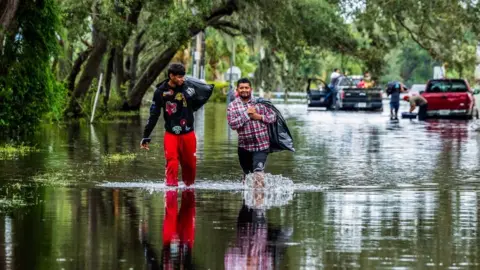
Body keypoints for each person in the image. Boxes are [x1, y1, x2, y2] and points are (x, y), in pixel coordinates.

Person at [140, 63, 197, 187]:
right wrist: (146, 135)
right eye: (179, 77)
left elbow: (199, 100)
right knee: (172, 163)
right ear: (171, 76)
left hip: (188, 133)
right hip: (171, 134)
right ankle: (170, 191)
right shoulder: (160, 92)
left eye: (183, 77)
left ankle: (189, 190)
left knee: (190, 166)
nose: (182, 79)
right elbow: (154, 115)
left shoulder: (188, 87)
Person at [227, 78, 276, 188]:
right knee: (247, 175)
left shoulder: (260, 102)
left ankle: (258, 201)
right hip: (244, 147)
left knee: (258, 172)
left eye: (246, 87)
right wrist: (246, 114)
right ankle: (246, 202)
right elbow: (233, 125)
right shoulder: (232, 106)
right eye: (241, 88)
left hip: (261, 145)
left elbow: (273, 117)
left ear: (251, 89)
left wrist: (258, 117)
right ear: (237, 90)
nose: (244, 90)